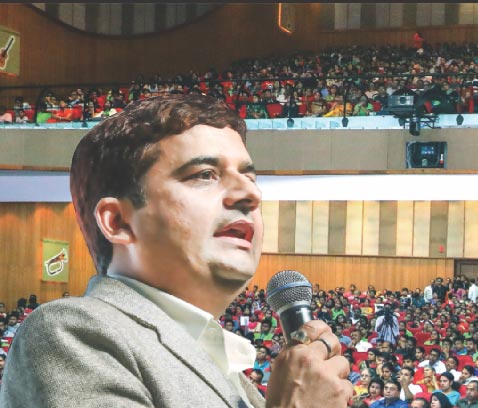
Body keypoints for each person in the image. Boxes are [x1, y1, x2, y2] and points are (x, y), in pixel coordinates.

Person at [0, 94, 352, 406]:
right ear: (118, 222)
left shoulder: (235, 379)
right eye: (204, 174)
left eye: (249, 177)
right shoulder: (73, 333)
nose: (251, 194)